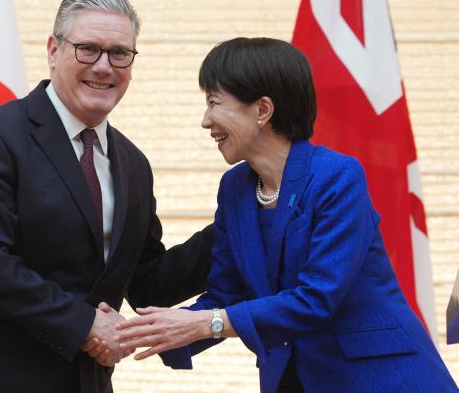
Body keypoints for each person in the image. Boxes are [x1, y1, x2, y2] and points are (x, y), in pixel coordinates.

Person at [114, 37, 458, 393]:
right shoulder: (235, 188)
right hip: (293, 379)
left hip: (381, 379)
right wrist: (133, 332)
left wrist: (206, 323)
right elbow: (225, 297)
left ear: (262, 110)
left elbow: (317, 298)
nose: (206, 121)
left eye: (214, 103)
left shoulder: (337, 177)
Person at [0, 0, 213, 393]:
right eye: (87, 48)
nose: (104, 66)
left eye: (119, 53)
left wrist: (239, 217)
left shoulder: (133, 164)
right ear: (54, 50)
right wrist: (86, 323)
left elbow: (150, 283)